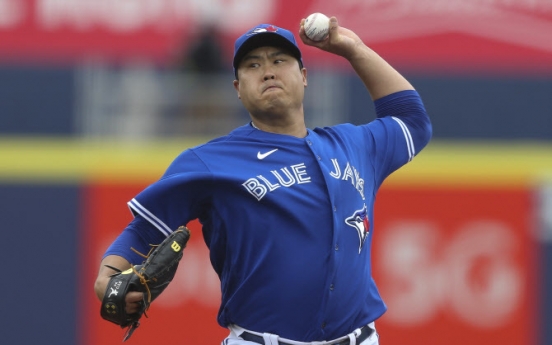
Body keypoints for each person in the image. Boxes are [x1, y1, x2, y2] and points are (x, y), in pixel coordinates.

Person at [94, 16, 432, 345]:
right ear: (238, 89)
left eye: (279, 60)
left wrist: (353, 48)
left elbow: (412, 121)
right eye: (253, 65)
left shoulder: (354, 145)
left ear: (303, 76)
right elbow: (142, 229)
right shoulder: (210, 161)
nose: (268, 70)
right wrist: (106, 278)